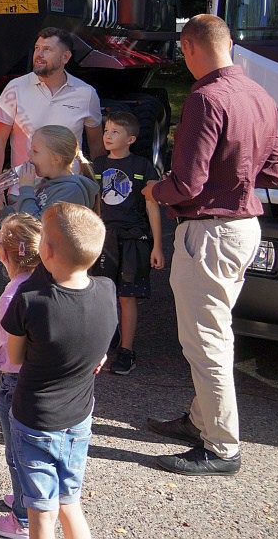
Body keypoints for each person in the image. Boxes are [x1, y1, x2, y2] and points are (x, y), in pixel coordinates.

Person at [144, 14, 278, 477]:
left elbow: (187, 182)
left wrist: (154, 192)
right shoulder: (260, 95)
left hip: (210, 232)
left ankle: (222, 446)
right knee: (213, 333)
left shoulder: (205, 98)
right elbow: (273, 169)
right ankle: (201, 419)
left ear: (188, 48)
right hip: (244, 227)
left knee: (206, 341)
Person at [2, 203, 117, 539]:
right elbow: (101, 345)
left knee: (41, 511)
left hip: (35, 420)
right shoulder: (107, 291)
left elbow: (15, 357)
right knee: (69, 501)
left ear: (46, 251)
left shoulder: (30, 299)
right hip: (78, 418)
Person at [0, 27, 105, 215]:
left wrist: (98, 186)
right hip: (22, 192)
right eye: (36, 48)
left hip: (67, 193)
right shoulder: (15, 88)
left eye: (47, 49)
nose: (39, 55)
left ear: (65, 57)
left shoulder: (86, 94)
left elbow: (97, 147)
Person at [91, 110, 164, 376]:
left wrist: (157, 245)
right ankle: (103, 340)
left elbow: (152, 206)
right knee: (102, 292)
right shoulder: (97, 165)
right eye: (106, 130)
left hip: (134, 239)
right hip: (103, 238)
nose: (108, 136)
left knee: (127, 295)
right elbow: (91, 204)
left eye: (115, 132)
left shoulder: (142, 167)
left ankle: (126, 350)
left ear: (131, 138)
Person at [0, 212, 42, 539]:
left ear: (5, 254)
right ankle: (26, 499)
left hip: (15, 382)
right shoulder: (44, 285)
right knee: (30, 450)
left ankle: (22, 518)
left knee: (16, 452)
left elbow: (10, 353)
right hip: (39, 380)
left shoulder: (11, 294)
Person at [0, 125, 98, 219]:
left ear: (56, 159)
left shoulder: (71, 191)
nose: (29, 154)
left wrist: (26, 188)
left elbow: (35, 228)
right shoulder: (42, 183)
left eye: (35, 151)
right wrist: (1, 209)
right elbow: (19, 226)